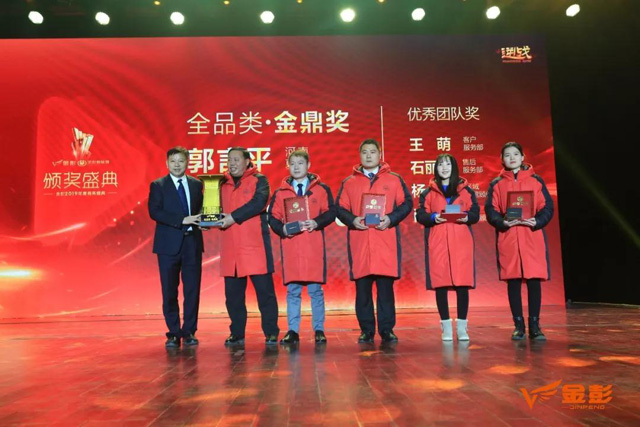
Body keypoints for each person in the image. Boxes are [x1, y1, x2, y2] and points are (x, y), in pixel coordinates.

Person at [336, 139, 413, 343]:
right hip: (360, 241)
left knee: (385, 290)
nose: (368, 156)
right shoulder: (349, 182)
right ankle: (366, 330)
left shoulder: (394, 179)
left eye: (372, 152)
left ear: (380, 154)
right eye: (364, 152)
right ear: (359, 155)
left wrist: (391, 218)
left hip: (385, 241)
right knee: (363, 291)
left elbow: (406, 204)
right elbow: (339, 208)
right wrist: (353, 220)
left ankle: (387, 330)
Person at [485, 142, 554, 341]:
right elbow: (491, 210)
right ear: (502, 159)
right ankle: (518, 326)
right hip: (509, 237)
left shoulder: (536, 180)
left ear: (523, 157)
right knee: (513, 280)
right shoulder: (496, 184)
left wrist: (537, 221)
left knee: (534, 280)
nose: (512, 158)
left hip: (531, 235)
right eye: (507, 155)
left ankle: (535, 326)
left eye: (516, 154)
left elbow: (547, 207)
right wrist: (502, 222)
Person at [268, 150, 336, 344]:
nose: (296, 167)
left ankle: (319, 330)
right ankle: (292, 331)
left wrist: (317, 222)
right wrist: (282, 229)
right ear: (288, 166)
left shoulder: (321, 189)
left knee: (315, 292)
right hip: (291, 247)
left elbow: (331, 212)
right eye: (292, 164)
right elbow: (272, 218)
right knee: (293, 292)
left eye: (300, 163)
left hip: (313, 247)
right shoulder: (281, 192)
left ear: (308, 165)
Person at [217, 147, 280, 345]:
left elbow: (259, 203)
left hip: (255, 247)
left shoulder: (259, 180)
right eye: (230, 160)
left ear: (247, 161)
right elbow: (213, 208)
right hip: (231, 248)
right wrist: (207, 219)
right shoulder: (221, 183)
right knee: (233, 297)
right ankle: (237, 333)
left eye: (236, 159)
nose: (232, 163)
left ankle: (271, 331)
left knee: (265, 294)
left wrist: (232, 217)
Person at [416, 154, 480, 342]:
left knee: (462, 284)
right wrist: (433, 217)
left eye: (448, 165)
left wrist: (466, 217)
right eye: (441, 165)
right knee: (440, 284)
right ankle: (445, 327)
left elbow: (475, 214)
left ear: (454, 168)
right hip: (438, 242)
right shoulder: (428, 193)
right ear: (436, 168)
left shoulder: (466, 191)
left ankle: (462, 327)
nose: (444, 168)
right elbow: (421, 215)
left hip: (461, 242)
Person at [148, 146, 204, 348]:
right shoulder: (158, 185)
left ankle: (189, 331)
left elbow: (201, 210)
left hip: (192, 244)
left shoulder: (197, 184)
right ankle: (173, 332)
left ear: (188, 162)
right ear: (167, 163)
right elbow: (155, 212)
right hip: (168, 246)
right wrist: (182, 220)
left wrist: (205, 221)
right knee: (169, 290)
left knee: (192, 290)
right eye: (173, 161)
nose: (177, 165)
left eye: (181, 161)